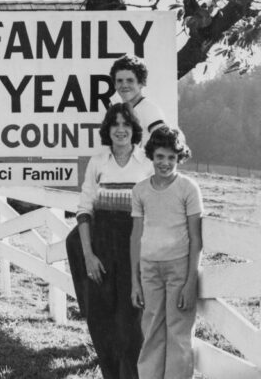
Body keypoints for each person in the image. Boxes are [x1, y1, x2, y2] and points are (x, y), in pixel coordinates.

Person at [67, 103, 153, 379]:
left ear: (133, 129)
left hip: (133, 249)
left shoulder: (146, 164)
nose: (120, 129)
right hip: (101, 248)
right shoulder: (98, 162)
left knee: (130, 326)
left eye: (126, 124)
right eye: (114, 124)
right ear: (108, 129)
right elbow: (84, 210)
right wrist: (89, 255)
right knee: (101, 322)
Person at [130, 127, 203, 379]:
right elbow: (136, 237)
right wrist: (134, 281)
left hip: (179, 269)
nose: (165, 163)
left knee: (178, 334)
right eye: (160, 156)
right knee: (151, 330)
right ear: (152, 155)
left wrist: (190, 281)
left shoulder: (188, 188)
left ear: (179, 158)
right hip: (149, 268)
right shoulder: (140, 190)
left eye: (172, 157)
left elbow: (196, 239)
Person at [110, 55, 166, 145]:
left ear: (141, 83)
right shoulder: (122, 111)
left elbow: (167, 143)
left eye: (130, 80)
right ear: (115, 85)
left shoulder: (149, 109)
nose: (124, 85)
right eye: (119, 81)